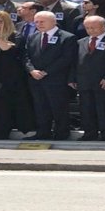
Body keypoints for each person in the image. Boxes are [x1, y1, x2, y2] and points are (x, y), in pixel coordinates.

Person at [23, 11, 78, 140]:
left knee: (58, 107)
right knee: (40, 107)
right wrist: (31, 70)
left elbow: (66, 58)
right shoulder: (33, 37)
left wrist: (47, 71)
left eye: (42, 21)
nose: (39, 24)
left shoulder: (67, 37)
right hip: (36, 79)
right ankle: (43, 132)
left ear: (53, 22)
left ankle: (61, 133)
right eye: (36, 22)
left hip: (56, 79)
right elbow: (26, 56)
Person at [69, 16, 105, 141]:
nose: (91, 30)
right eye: (88, 28)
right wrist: (72, 78)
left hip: (103, 81)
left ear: (104, 26)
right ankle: (90, 133)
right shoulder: (81, 42)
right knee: (86, 109)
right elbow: (74, 62)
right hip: (84, 80)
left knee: (104, 109)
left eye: (94, 27)